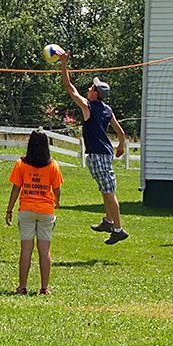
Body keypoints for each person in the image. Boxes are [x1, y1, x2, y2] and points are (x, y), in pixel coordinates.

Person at [57, 49, 128, 244]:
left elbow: (69, 87)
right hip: (103, 154)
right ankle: (108, 221)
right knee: (105, 189)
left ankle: (118, 229)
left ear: (95, 93)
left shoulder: (88, 106)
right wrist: (120, 146)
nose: (89, 88)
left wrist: (63, 64)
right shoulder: (107, 109)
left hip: (98, 154)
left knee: (109, 192)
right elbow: (120, 132)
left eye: (92, 87)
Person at [6, 130, 64, 295]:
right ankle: (44, 288)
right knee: (44, 250)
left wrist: (9, 209)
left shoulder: (21, 164)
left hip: (26, 210)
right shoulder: (53, 165)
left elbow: (16, 188)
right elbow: (57, 189)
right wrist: (57, 202)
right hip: (46, 211)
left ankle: (22, 287)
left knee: (26, 250)